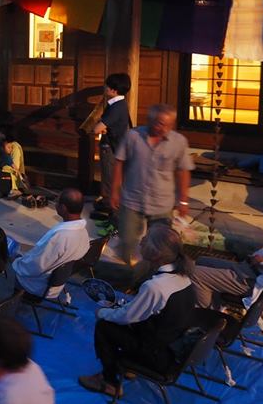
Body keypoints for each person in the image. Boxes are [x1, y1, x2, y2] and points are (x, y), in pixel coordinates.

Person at [78, 223, 196, 398]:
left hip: (158, 355)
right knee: (119, 319)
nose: (141, 242)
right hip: (174, 345)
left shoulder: (155, 286)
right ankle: (128, 367)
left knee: (104, 326)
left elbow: (128, 317)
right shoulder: (183, 275)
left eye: (146, 240)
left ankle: (110, 382)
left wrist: (102, 313)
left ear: (156, 254)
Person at [111, 103, 194, 264]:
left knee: (160, 247)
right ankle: (127, 272)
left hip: (162, 203)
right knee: (127, 240)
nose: (165, 128)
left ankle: (150, 277)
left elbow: (183, 171)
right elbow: (119, 162)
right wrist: (115, 191)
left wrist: (184, 200)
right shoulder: (132, 136)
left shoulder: (179, 142)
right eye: (161, 124)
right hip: (132, 199)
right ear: (150, 120)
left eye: (170, 125)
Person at [12, 188, 89, 299]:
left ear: (63, 208)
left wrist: (16, 264)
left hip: (37, 285)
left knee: (0, 268)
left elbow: (36, 266)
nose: (55, 205)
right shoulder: (83, 233)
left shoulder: (62, 237)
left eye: (57, 202)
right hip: (54, 283)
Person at [92, 73, 132, 213]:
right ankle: (108, 201)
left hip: (110, 146)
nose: (105, 88)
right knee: (110, 174)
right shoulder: (120, 104)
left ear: (114, 90)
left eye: (107, 86)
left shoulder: (116, 107)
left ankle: (110, 205)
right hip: (115, 144)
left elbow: (97, 128)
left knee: (109, 175)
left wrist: (100, 126)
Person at [190, 243, 263, 310]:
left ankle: (206, 315)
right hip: (247, 266)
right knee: (201, 260)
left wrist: (262, 263)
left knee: (195, 274)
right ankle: (216, 306)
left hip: (252, 280)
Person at [0, 126, 28, 198]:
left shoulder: (15, 147)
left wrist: (2, 168)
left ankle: (6, 190)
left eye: (1, 133)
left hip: (11, 175)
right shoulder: (1, 144)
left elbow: (15, 166)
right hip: (2, 171)